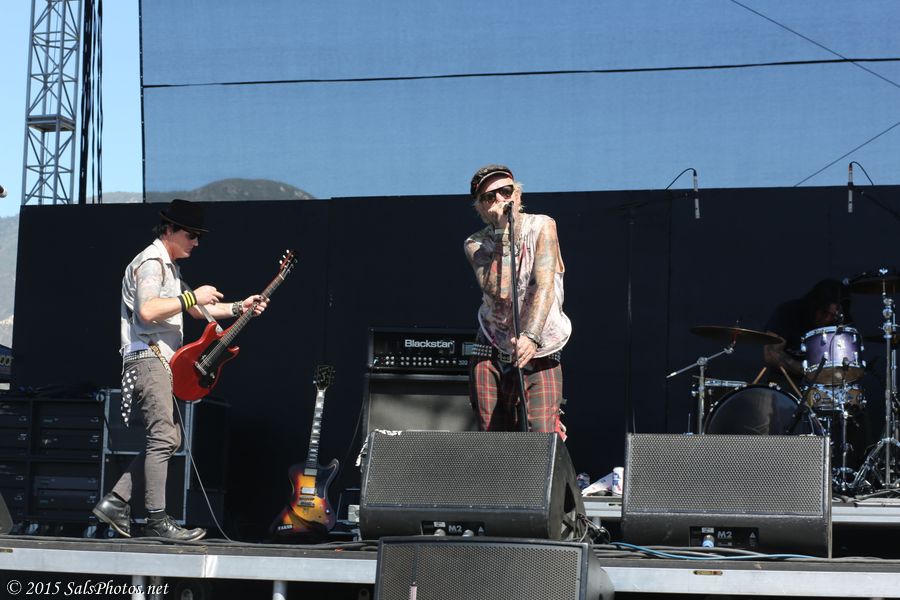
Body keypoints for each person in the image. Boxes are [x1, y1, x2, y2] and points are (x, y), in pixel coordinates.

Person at [93, 199, 268, 541]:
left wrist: (240, 307)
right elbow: (148, 311)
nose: (196, 242)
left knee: (170, 438)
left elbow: (196, 311)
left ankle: (116, 501)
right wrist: (193, 297)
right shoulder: (152, 262)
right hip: (148, 358)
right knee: (163, 437)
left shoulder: (169, 267)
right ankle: (156, 520)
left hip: (157, 360)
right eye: (191, 235)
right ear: (170, 230)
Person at [464, 164, 572, 434]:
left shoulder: (542, 225)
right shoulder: (476, 243)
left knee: (542, 435)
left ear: (518, 194)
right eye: (490, 196)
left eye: (506, 191)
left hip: (541, 345)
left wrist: (531, 336)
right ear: (480, 207)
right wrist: (503, 233)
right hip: (492, 346)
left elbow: (544, 285)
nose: (501, 199)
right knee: (493, 438)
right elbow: (499, 291)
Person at [763, 279, 851, 383]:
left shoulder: (841, 321)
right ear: (814, 305)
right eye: (824, 313)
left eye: (833, 315)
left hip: (824, 384)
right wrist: (807, 371)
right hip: (785, 379)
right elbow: (770, 353)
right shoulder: (788, 312)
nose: (828, 319)